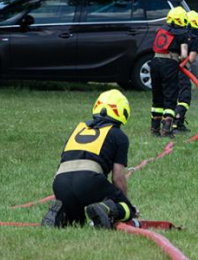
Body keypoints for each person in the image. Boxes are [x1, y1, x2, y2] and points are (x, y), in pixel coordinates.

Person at [41, 89, 138, 229]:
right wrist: (121, 202)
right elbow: (118, 178)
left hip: (60, 183)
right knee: (127, 209)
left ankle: (62, 213)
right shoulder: (118, 135)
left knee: (77, 223)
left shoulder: (78, 129)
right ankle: (106, 208)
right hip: (88, 181)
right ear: (123, 111)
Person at [150, 6, 190, 137]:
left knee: (157, 96)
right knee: (170, 95)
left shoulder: (161, 30)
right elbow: (184, 55)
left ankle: (154, 128)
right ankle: (166, 129)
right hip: (169, 64)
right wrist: (179, 59)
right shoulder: (182, 34)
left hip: (155, 62)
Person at [174, 10, 198, 132]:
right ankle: (177, 123)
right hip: (182, 71)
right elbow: (191, 59)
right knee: (184, 98)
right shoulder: (195, 39)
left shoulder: (177, 35)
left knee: (171, 97)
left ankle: (165, 123)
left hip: (169, 69)